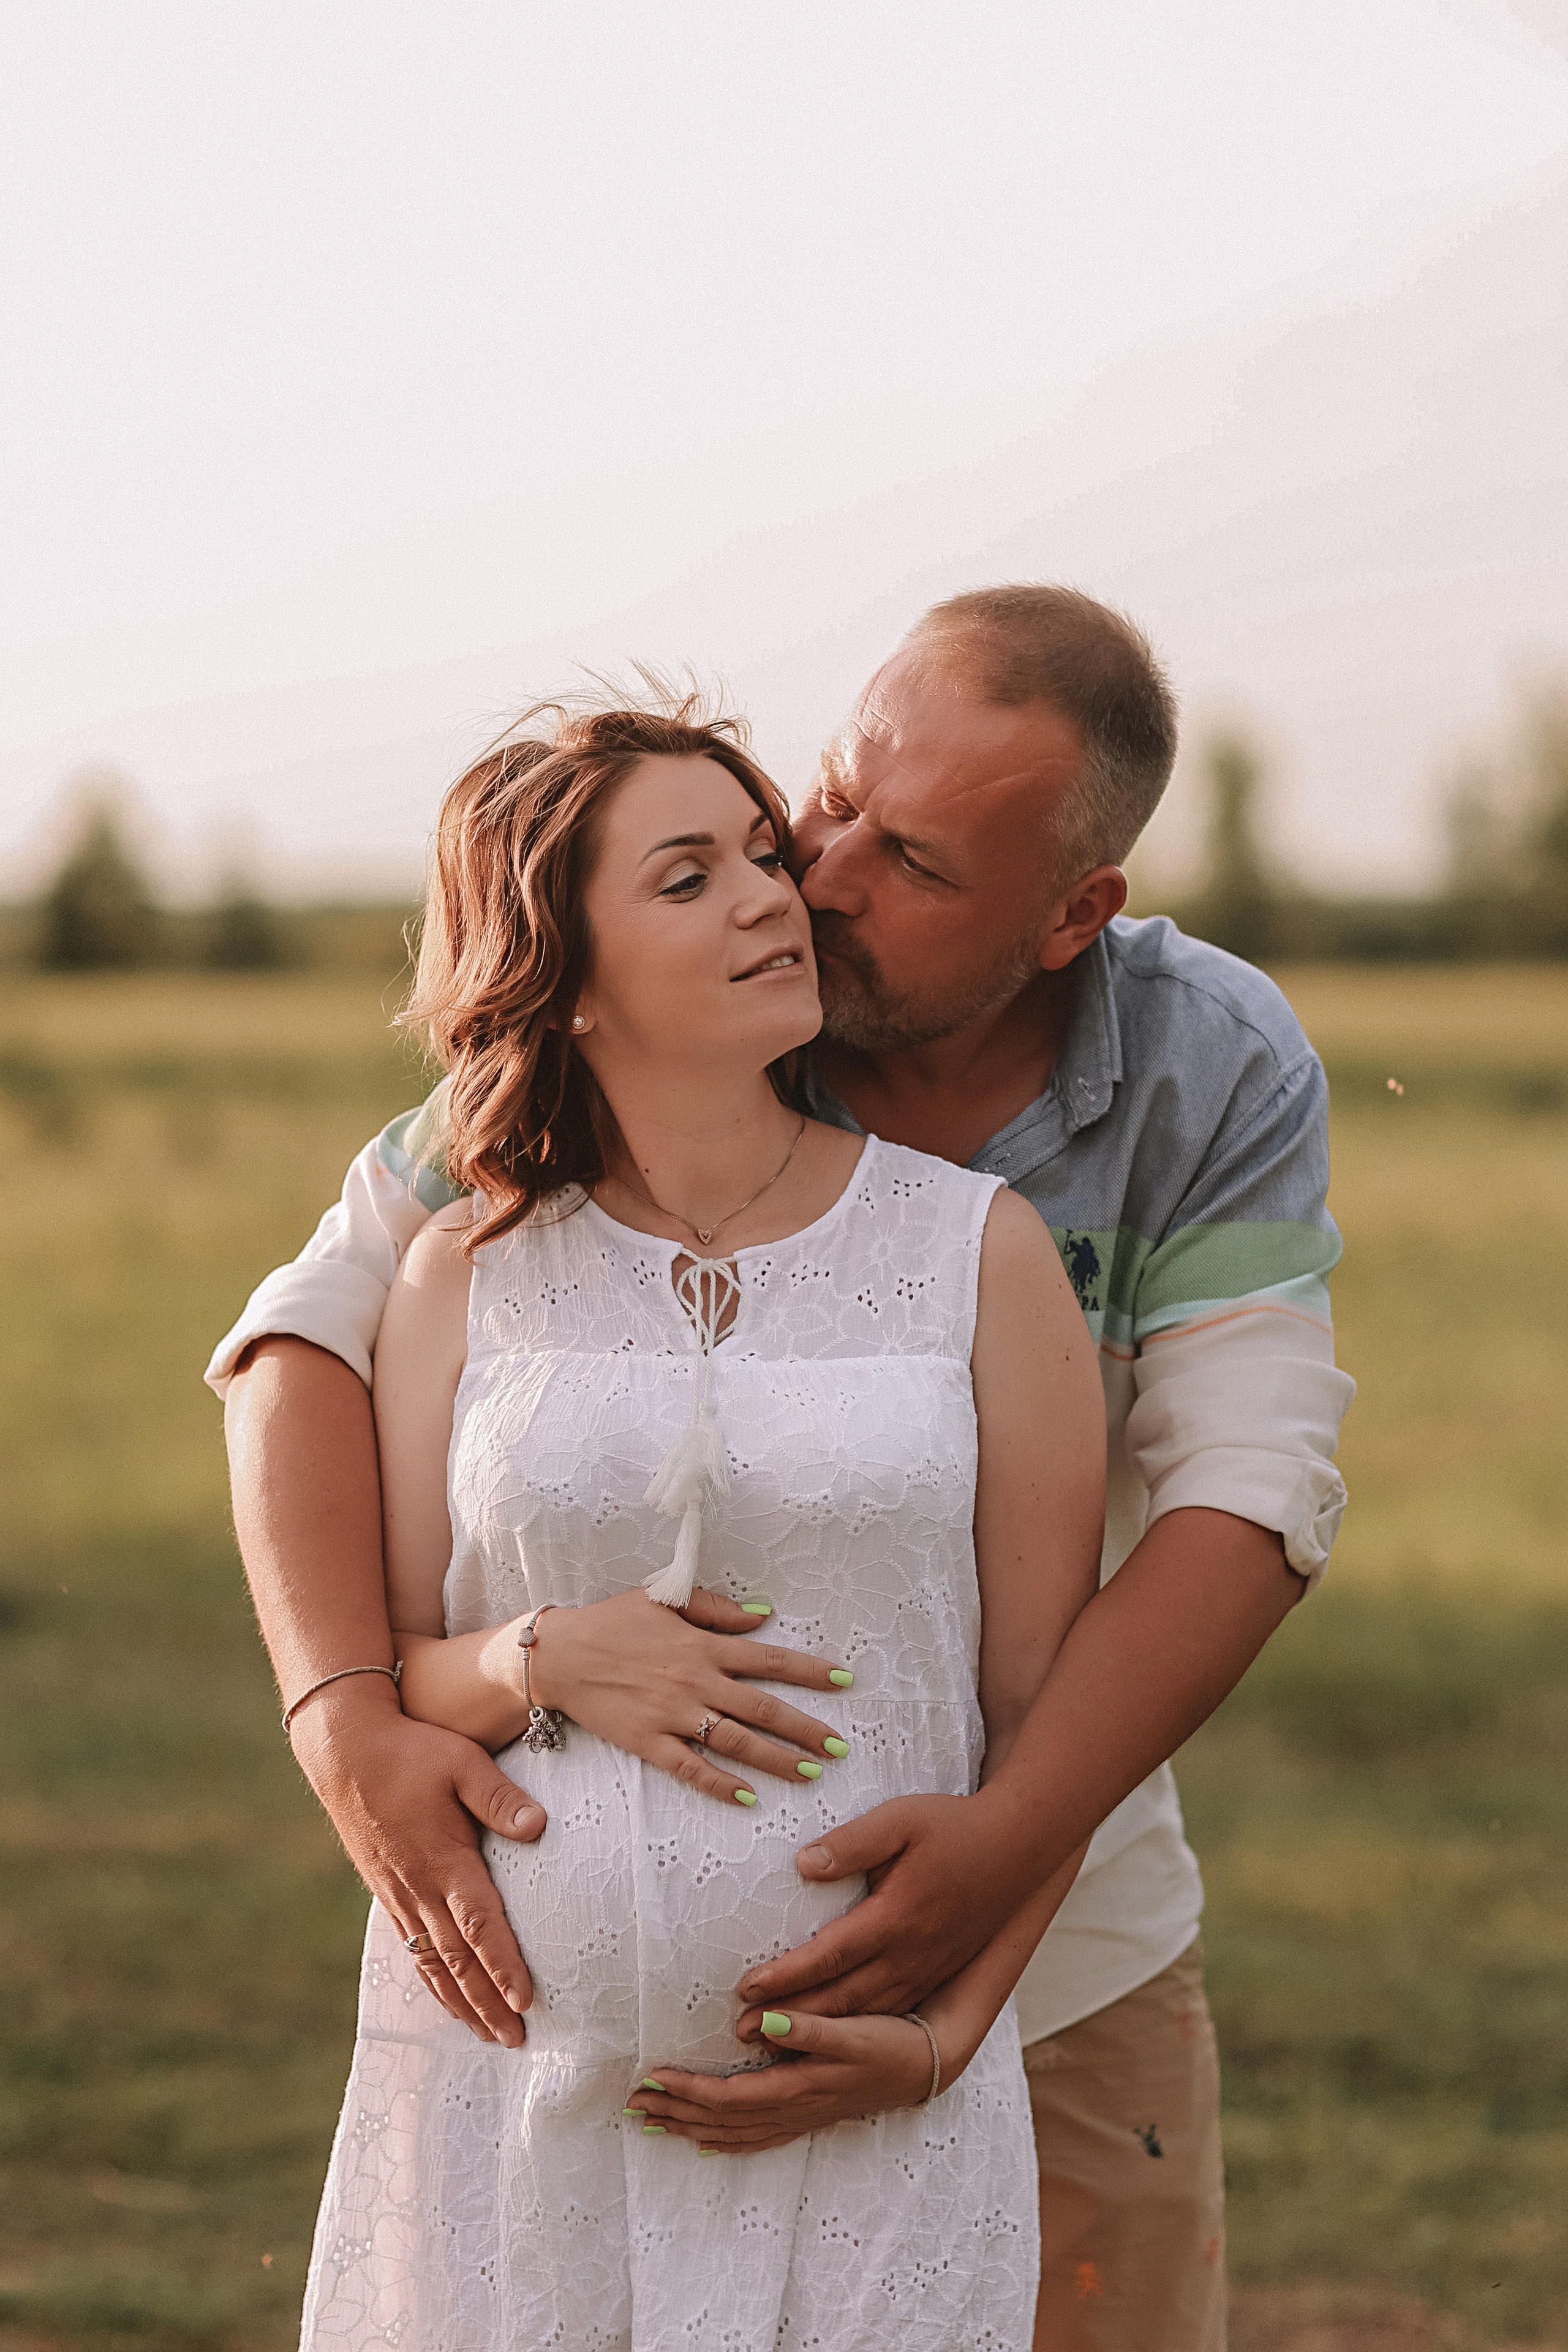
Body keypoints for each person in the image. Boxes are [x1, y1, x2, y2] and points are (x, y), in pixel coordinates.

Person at [211, 585, 1355, 2352]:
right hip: (551, 2076)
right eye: (824, 803)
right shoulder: (678, 1001)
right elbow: (300, 1352)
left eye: (908, 861)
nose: (813, 881)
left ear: (1072, 919)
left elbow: (1249, 1499)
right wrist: (348, 1719)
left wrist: (994, 1874)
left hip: (1060, 1958)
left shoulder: (1197, 1070)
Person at [279, 698, 1106, 2346]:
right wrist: (542, 1656)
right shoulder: (467, 1272)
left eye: (759, 854)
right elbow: (388, 1670)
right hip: (513, 2101)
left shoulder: (978, 1255)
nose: (767, 898)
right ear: (565, 979)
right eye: (685, 877)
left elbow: (1048, 1729)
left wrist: (948, 2035)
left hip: (871, 2123)